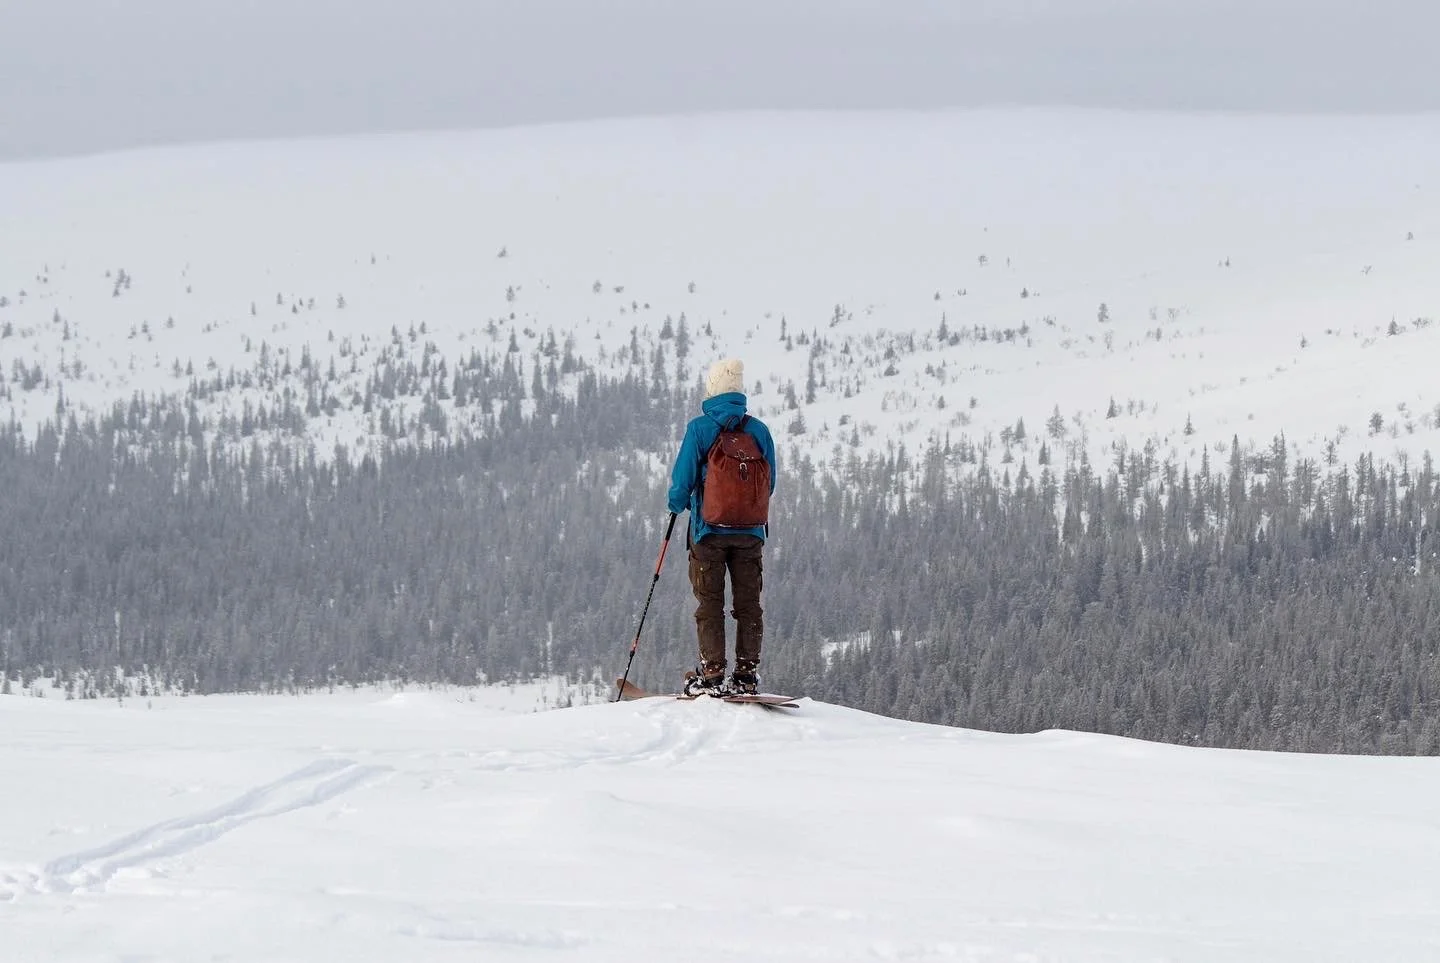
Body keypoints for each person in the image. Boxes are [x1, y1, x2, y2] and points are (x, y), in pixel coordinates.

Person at [668, 358, 778, 696]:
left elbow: (682, 481)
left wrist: (677, 505)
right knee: (748, 604)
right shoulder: (758, 430)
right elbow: (769, 482)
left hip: (708, 533)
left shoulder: (699, 429)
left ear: (712, 389)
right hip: (750, 533)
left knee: (709, 602)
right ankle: (746, 675)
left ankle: (712, 673)